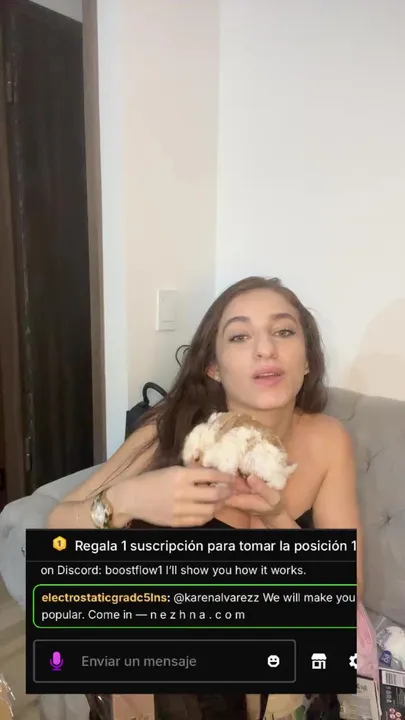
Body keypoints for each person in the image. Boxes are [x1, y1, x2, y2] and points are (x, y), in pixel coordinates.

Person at [47, 276, 363, 720]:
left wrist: (276, 518)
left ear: (307, 359)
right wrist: (126, 500)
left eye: (283, 331)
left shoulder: (329, 440)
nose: (265, 349)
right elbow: (56, 532)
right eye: (239, 336)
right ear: (214, 368)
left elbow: (345, 593)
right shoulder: (168, 431)